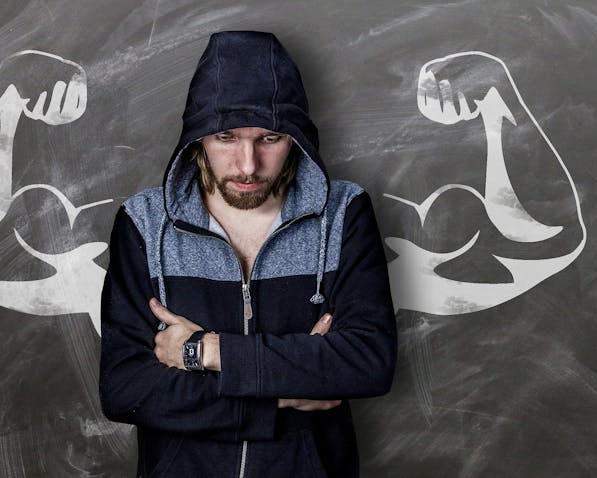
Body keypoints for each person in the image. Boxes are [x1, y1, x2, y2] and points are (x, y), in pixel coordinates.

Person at [99, 30, 397, 478]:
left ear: (295, 138)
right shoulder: (144, 222)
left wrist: (208, 353)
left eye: (270, 138)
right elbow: (126, 390)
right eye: (225, 137)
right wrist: (279, 397)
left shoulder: (344, 214)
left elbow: (367, 363)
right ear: (197, 138)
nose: (247, 165)